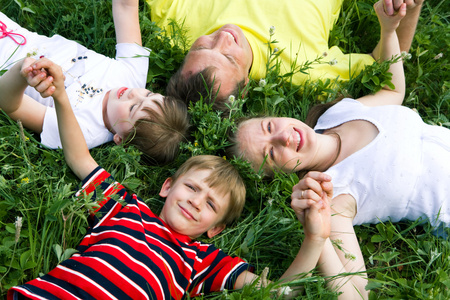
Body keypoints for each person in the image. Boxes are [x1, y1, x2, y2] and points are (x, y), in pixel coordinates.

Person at [7, 56, 347, 299]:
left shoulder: (202, 261)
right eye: (192, 187)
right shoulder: (125, 209)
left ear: (215, 229)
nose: (196, 201)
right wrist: (61, 97)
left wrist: (314, 240)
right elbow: (80, 157)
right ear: (167, 186)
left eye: (211, 204)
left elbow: (276, 293)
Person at [231, 0, 449, 230]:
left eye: (269, 127)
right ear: (279, 176)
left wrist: (388, 29)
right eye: (272, 153)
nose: (283, 137)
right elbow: (352, 268)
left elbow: (393, 92)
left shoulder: (337, 115)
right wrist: (315, 235)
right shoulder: (333, 195)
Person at [0, 0, 189, 165]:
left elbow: (10, 105)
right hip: (11, 30)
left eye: (133, 109)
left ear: (120, 139)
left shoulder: (82, 131)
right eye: (148, 94)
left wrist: (21, 71)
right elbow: (125, 7)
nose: (134, 94)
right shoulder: (134, 74)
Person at [147, 0, 423, 112]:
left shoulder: (175, 29)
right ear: (243, 90)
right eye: (229, 58)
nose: (223, 37)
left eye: (201, 48)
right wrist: (408, 8)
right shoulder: (303, 70)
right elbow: (386, 65)